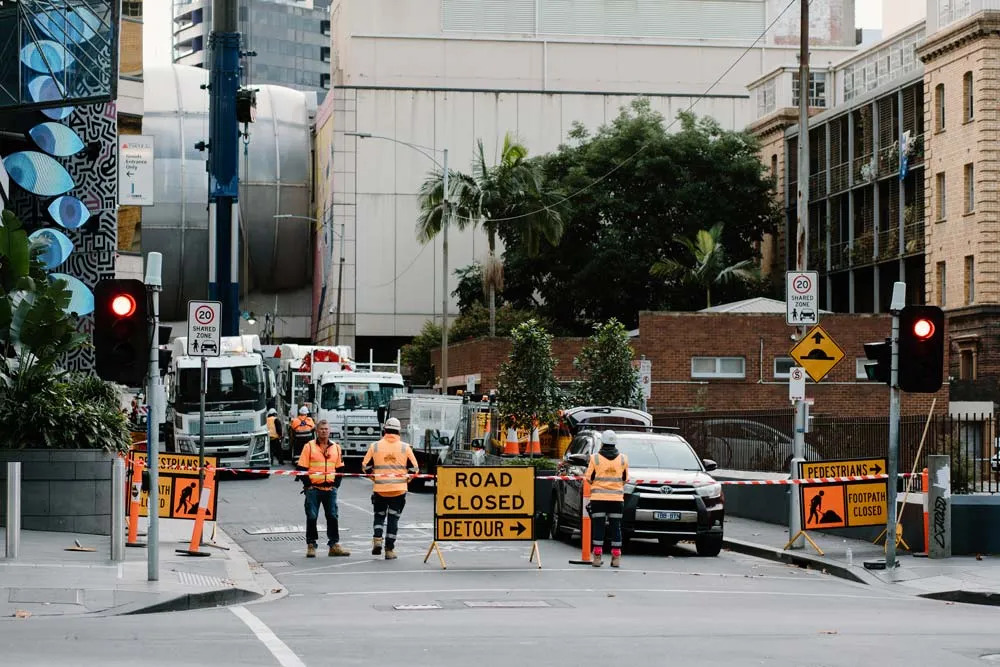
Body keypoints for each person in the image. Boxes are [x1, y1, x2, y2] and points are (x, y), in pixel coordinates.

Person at [361, 417, 419, 560]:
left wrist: (374, 477)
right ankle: (389, 550)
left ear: (385, 430)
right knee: (393, 519)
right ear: (399, 431)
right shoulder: (405, 447)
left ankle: (377, 540)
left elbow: (365, 466)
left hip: (380, 489)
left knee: (379, 516)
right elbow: (414, 469)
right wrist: (407, 479)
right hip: (398, 490)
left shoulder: (375, 446)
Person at [296, 420, 351, 558]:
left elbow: (340, 468)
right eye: (321, 429)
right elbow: (301, 468)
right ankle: (311, 544)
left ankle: (333, 545)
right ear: (316, 431)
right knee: (312, 516)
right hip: (313, 489)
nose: (324, 431)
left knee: (332, 516)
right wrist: (308, 486)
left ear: (329, 430)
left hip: (330, 489)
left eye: (326, 429)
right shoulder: (309, 447)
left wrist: (335, 485)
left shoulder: (336, 448)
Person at [584, 430, 629, 568]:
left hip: (598, 499)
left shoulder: (595, 458)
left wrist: (599, 486)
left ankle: (597, 556)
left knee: (599, 526)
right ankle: (616, 556)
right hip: (617, 499)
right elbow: (625, 479)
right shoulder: (623, 459)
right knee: (616, 526)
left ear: (602, 442)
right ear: (615, 442)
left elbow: (588, 478)